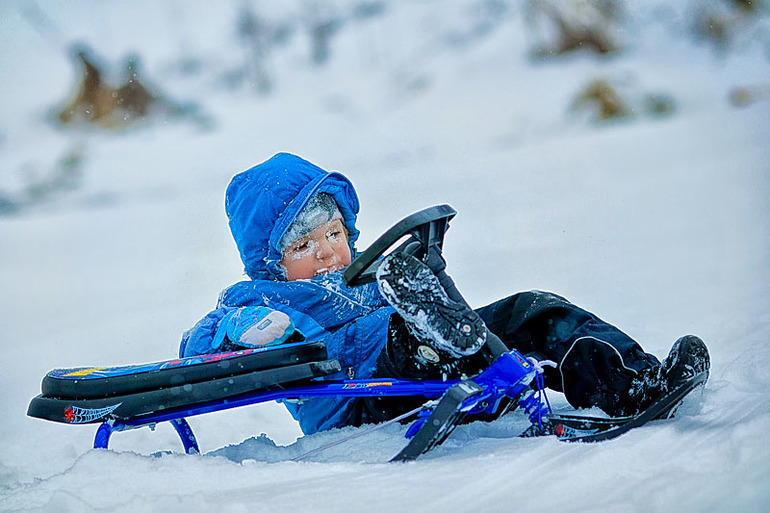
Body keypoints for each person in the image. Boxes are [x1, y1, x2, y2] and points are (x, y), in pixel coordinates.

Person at [180, 152, 710, 435]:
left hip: (420, 367)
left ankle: (632, 382)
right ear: (271, 260)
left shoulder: (363, 279)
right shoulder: (261, 299)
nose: (326, 252)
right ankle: (456, 340)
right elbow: (196, 347)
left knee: (531, 309)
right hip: (357, 396)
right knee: (407, 317)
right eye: (303, 243)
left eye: (334, 234)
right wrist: (237, 329)